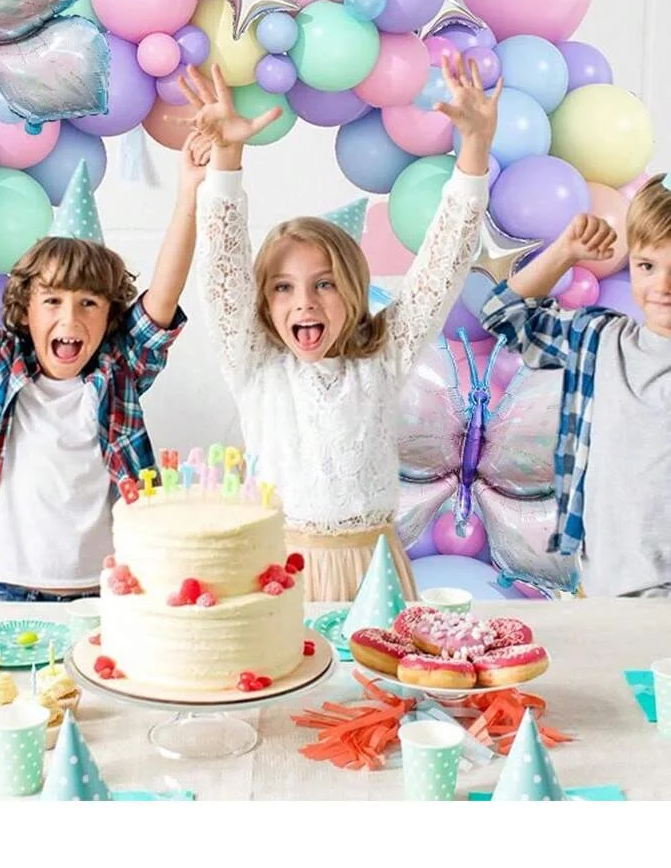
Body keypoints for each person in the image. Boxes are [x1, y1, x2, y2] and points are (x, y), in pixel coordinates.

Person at [186, 56, 498, 602]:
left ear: (353, 293)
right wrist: (227, 159)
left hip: (374, 573)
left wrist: (473, 150)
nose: (304, 302)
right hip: (280, 572)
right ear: (262, 300)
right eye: (283, 287)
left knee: (378, 689)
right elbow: (221, 267)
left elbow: (442, 265)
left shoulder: (382, 359)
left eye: (324, 284)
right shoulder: (255, 365)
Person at [0, 127, 206, 601]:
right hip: (2, 588)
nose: (70, 317)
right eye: (52, 301)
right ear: (25, 309)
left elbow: (163, 298)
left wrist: (188, 192)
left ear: (110, 315)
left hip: (102, 593)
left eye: (89, 303)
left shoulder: (117, 374)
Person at [481, 176, 671, 598]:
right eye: (647, 266)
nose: (662, 287)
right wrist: (564, 253)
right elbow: (503, 315)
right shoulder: (600, 341)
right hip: (605, 586)